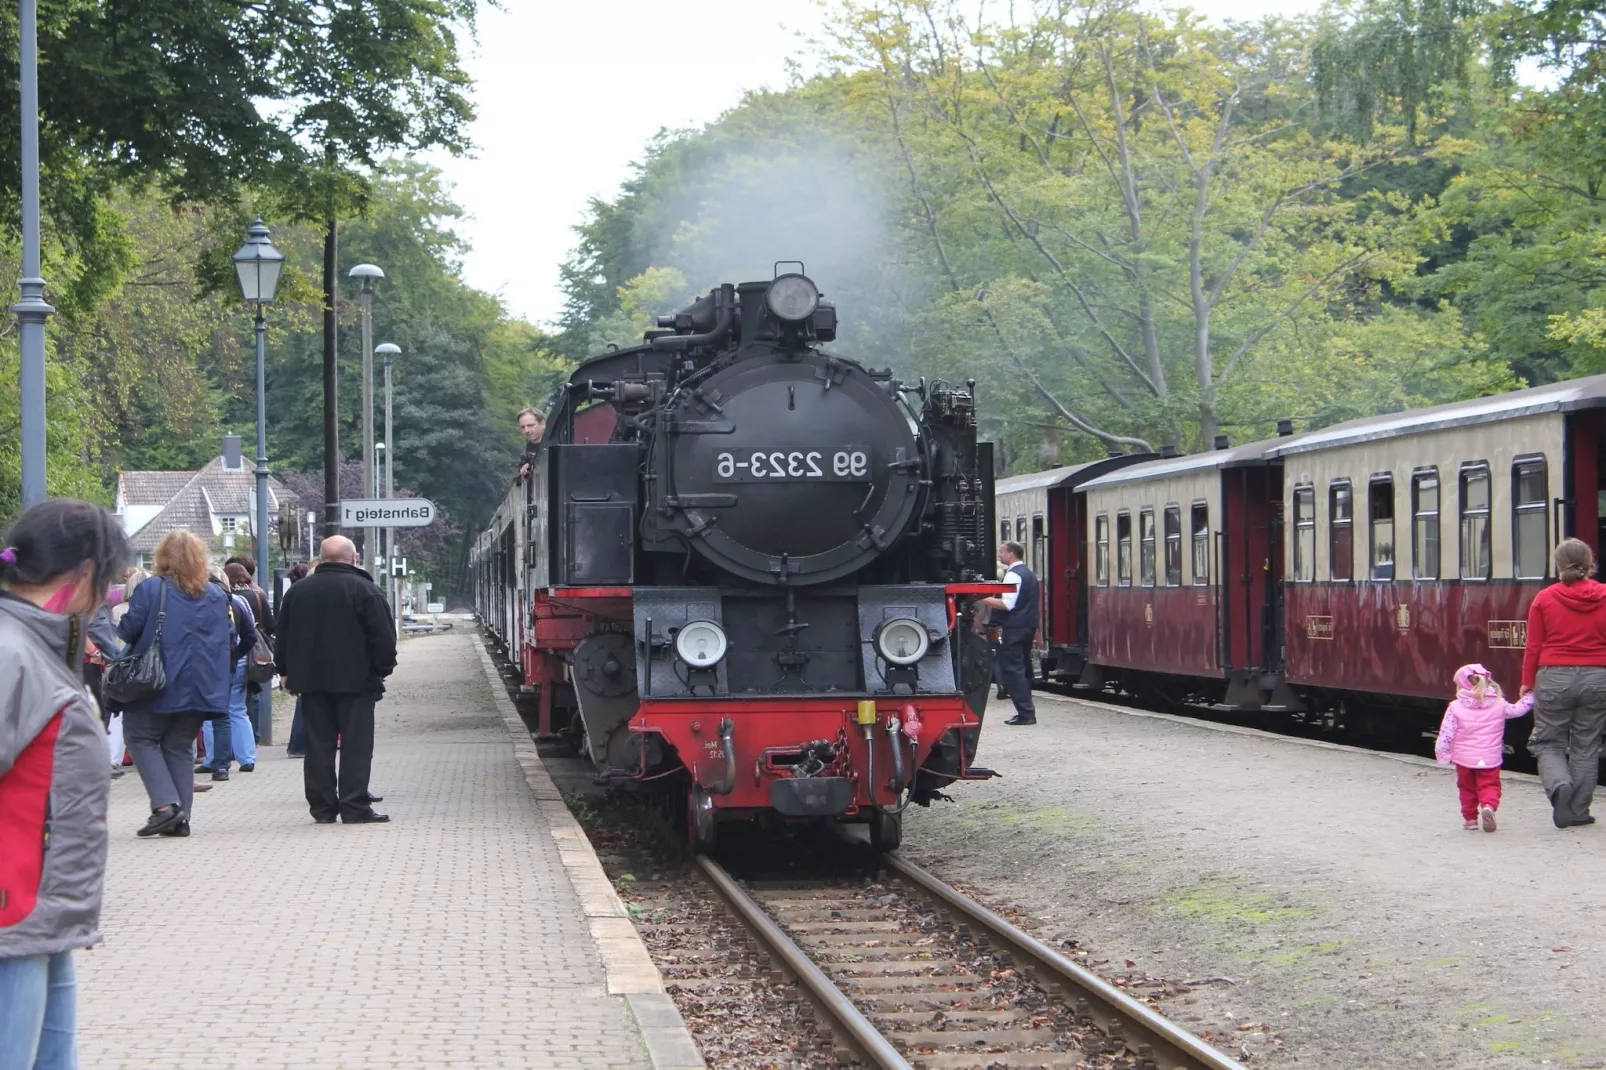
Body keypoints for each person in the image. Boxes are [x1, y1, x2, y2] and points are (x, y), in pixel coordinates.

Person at [0, 498, 131, 1070]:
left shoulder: (33, 648)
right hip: (15, 904)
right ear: (82, 574)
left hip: (42, 911)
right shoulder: (12, 653)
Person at [116, 531, 250, 837]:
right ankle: (181, 818)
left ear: (162, 557)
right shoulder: (217, 594)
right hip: (201, 685)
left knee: (140, 738)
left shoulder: (152, 589)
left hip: (157, 681)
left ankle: (165, 807)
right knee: (178, 746)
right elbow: (230, 638)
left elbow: (128, 629)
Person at [275, 536, 397, 824]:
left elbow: (283, 635)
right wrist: (382, 669)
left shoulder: (298, 591)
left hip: (311, 682)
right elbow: (383, 638)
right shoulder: (366, 590)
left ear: (321, 557)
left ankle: (322, 808)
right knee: (356, 745)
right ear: (353, 558)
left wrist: (286, 671)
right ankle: (355, 806)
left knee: (318, 745)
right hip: (357, 682)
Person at [1522, 537, 1606, 828]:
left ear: (1558, 565)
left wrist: (1525, 682)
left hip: (1554, 675)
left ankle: (1559, 786)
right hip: (1598, 677)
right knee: (1587, 745)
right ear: (1589, 563)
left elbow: (1533, 646)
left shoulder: (1544, 598)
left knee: (1548, 742)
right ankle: (1579, 811)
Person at [1435, 664, 1533, 832]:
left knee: (1466, 788)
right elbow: (1517, 710)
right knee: (1489, 785)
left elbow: (1446, 733)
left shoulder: (1455, 707)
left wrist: (1443, 755)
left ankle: (1470, 820)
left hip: (1464, 759)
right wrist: (1531, 697)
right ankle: (1488, 806)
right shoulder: (1499, 704)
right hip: (1489, 758)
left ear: (1461, 686)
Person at [197, 566, 259, 778]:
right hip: (235, 663)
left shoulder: (200, 601)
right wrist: (237, 655)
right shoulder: (237, 602)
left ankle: (213, 758)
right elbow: (251, 635)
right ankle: (247, 757)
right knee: (237, 710)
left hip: (211, 664)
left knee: (209, 715)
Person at [979, 541, 1039, 726]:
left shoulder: (1012, 575)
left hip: (1013, 627)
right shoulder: (1029, 574)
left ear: (1011, 554)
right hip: (1028, 626)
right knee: (1023, 667)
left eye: (1002, 551)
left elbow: (1007, 604)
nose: (999, 555)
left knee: (1013, 669)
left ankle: (1025, 713)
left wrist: (982, 597)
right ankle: (1026, 710)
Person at [282, 561, 311, 757]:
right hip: (310, 661)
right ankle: (300, 744)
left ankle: (298, 745)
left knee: (304, 702)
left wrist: (284, 668)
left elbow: (283, 632)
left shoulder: (293, 596)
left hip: (302, 661)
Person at [516, 406, 546, 479]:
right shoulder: (524, 450)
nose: (526, 430)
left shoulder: (557, 444)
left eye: (530, 425)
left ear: (542, 424)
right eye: (523, 427)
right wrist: (523, 468)